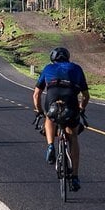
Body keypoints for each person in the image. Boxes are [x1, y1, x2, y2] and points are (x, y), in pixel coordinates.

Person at [32, 46, 89, 191]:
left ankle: (51, 145)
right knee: (73, 136)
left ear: (53, 58)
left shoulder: (48, 68)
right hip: (70, 100)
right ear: (67, 57)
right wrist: (81, 109)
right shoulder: (76, 68)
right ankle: (75, 177)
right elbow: (86, 95)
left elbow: (36, 94)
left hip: (52, 98)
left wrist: (39, 111)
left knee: (49, 118)